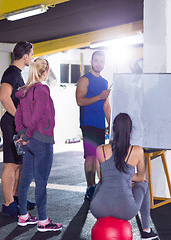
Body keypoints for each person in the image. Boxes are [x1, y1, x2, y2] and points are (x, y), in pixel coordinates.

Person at [90, 113, 158, 240]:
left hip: (98, 208)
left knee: (101, 184)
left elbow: (101, 177)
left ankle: (101, 221)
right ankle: (146, 230)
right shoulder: (137, 150)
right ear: (130, 131)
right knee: (144, 183)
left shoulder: (100, 149)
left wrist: (118, 176)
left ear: (113, 129)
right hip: (125, 210)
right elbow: (141, 177)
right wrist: (124, 176)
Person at [15, 58, 62, 232]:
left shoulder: (24, 91)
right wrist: (26, 134)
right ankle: (43, 221)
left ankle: (23, 216)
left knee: (26, 178)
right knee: (41, 181)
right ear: (45, 73)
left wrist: (22, 134)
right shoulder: (42, 90)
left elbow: (18, 116)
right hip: (41, 141)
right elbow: (37, 115)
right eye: (47, 71)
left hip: (29, 142)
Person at [0, 41, 35, 217]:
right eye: (32, 54)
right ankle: (8, 204)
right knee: (11, 164)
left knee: (20, 164)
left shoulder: (18, 74)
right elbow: (4, 97)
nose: (32, 57)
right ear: (26, 56)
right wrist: (19, 117)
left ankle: (18, 197)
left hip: (18, 125)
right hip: (10, 124)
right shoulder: (11, 73)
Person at [76, 51, 111, 200]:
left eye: (101, 61)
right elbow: (80, 101)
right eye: (96, 61)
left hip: (100, 124)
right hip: (88, 123)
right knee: (90, 157)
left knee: (100, 157)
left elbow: (106, 105)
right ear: (91, 61)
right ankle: (90, 187)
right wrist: (99, 96)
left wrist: (111, 124)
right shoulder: (84, 80)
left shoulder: (104, 82)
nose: (99, 64)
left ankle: (100, 186)